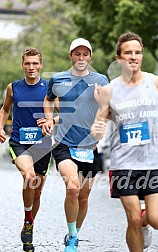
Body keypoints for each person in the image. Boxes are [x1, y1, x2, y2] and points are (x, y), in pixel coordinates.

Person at [91, 32, 158, 252]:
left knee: (157, 220)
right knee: (132, 219)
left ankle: (146, 223)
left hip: (153, 163)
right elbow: (98, 127)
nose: (133, 57)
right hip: (123, 165)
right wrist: (96, 130)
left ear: (142, 55)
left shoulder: (157, 83)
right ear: (119, 58)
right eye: (128, 53)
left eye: (137, 52)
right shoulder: (109, 90)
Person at [42, 38, 109, 252]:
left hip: (90, 147)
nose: (81, 58)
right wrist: (48, 119)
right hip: (63, 144)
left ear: (90, 56)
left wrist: (102, 101)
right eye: (77, 54)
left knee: (83, 196)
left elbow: (109, 110)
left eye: (85, 54)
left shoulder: (101, 80)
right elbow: (48, 99)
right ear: (70, 55)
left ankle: (75, 232)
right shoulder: (57, 78)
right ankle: (72, 238)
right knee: (72, 188)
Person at [0, 47, 51, 252]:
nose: (31, 67)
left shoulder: (49, 88)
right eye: (27, 63)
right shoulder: (14, 88)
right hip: (20, 142)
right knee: (29, 177)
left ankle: (28, 226)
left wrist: (50, 121)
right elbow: (4, 110)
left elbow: (60, 115)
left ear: (40, 65)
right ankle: (28, 218)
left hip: (42, 145)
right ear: (22, 65)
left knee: (37, 192)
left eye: (35, 63)